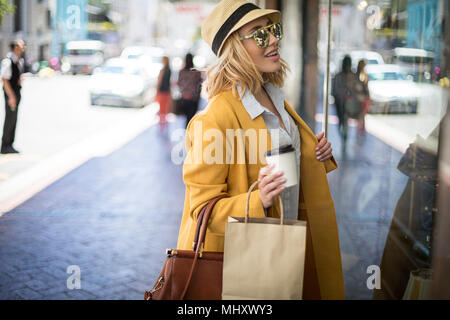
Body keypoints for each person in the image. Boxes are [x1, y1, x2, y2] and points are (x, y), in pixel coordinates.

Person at [176, 0, 344, 299]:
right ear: (234, 49)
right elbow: (201, 210)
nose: (274, 38)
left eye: (273, 29)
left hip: (286, 244)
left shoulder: (275, 99)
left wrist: (312, 152)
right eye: (259, 33)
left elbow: (285, 165)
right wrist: (259, 199)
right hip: (242, 267)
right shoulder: (214, 119)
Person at [1, 39, 26, 154]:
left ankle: (10, 144)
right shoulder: (8, 61)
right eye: (21, 45)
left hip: (16, 93)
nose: (24, 47)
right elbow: (4, 80)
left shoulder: (19, 61)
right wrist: (11, 96)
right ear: (16, 47)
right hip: (11, 95)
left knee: (14, 119)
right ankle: (5, 145)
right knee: (10, 119)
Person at [332, 55, 359, 150]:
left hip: (348, 102)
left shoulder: (353, 76)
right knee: (341, 121)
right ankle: (343, 137)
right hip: (340, 102)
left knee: (346, 120)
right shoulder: (338, 75)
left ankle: (345, 138)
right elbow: (334, 90)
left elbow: (355, 89)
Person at [178, 53, 202, 128]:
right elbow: (199, 85)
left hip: (184, 98)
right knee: (191, 118)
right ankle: (190, 133)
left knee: (187, 118)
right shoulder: (196, 72)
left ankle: (187, 133)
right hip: (193, 99)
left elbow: (179, 84)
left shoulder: (181, 72)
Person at [155, 56, 171, 131]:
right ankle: (164, 124)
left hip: (162, 92)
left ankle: (162, 124)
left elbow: (159, 82)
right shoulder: (169, 70)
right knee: (165, 108)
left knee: (162, 109)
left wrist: (156, 92)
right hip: (167, 92)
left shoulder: (163, 70)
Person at [355, 59, 370, 137]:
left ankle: (361, 130)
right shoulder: (358, 75)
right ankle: (359, 130)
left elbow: (366, 87)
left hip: (364, 97)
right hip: (359, 97)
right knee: (360, 115)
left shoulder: (364, 74)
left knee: (363, 115)